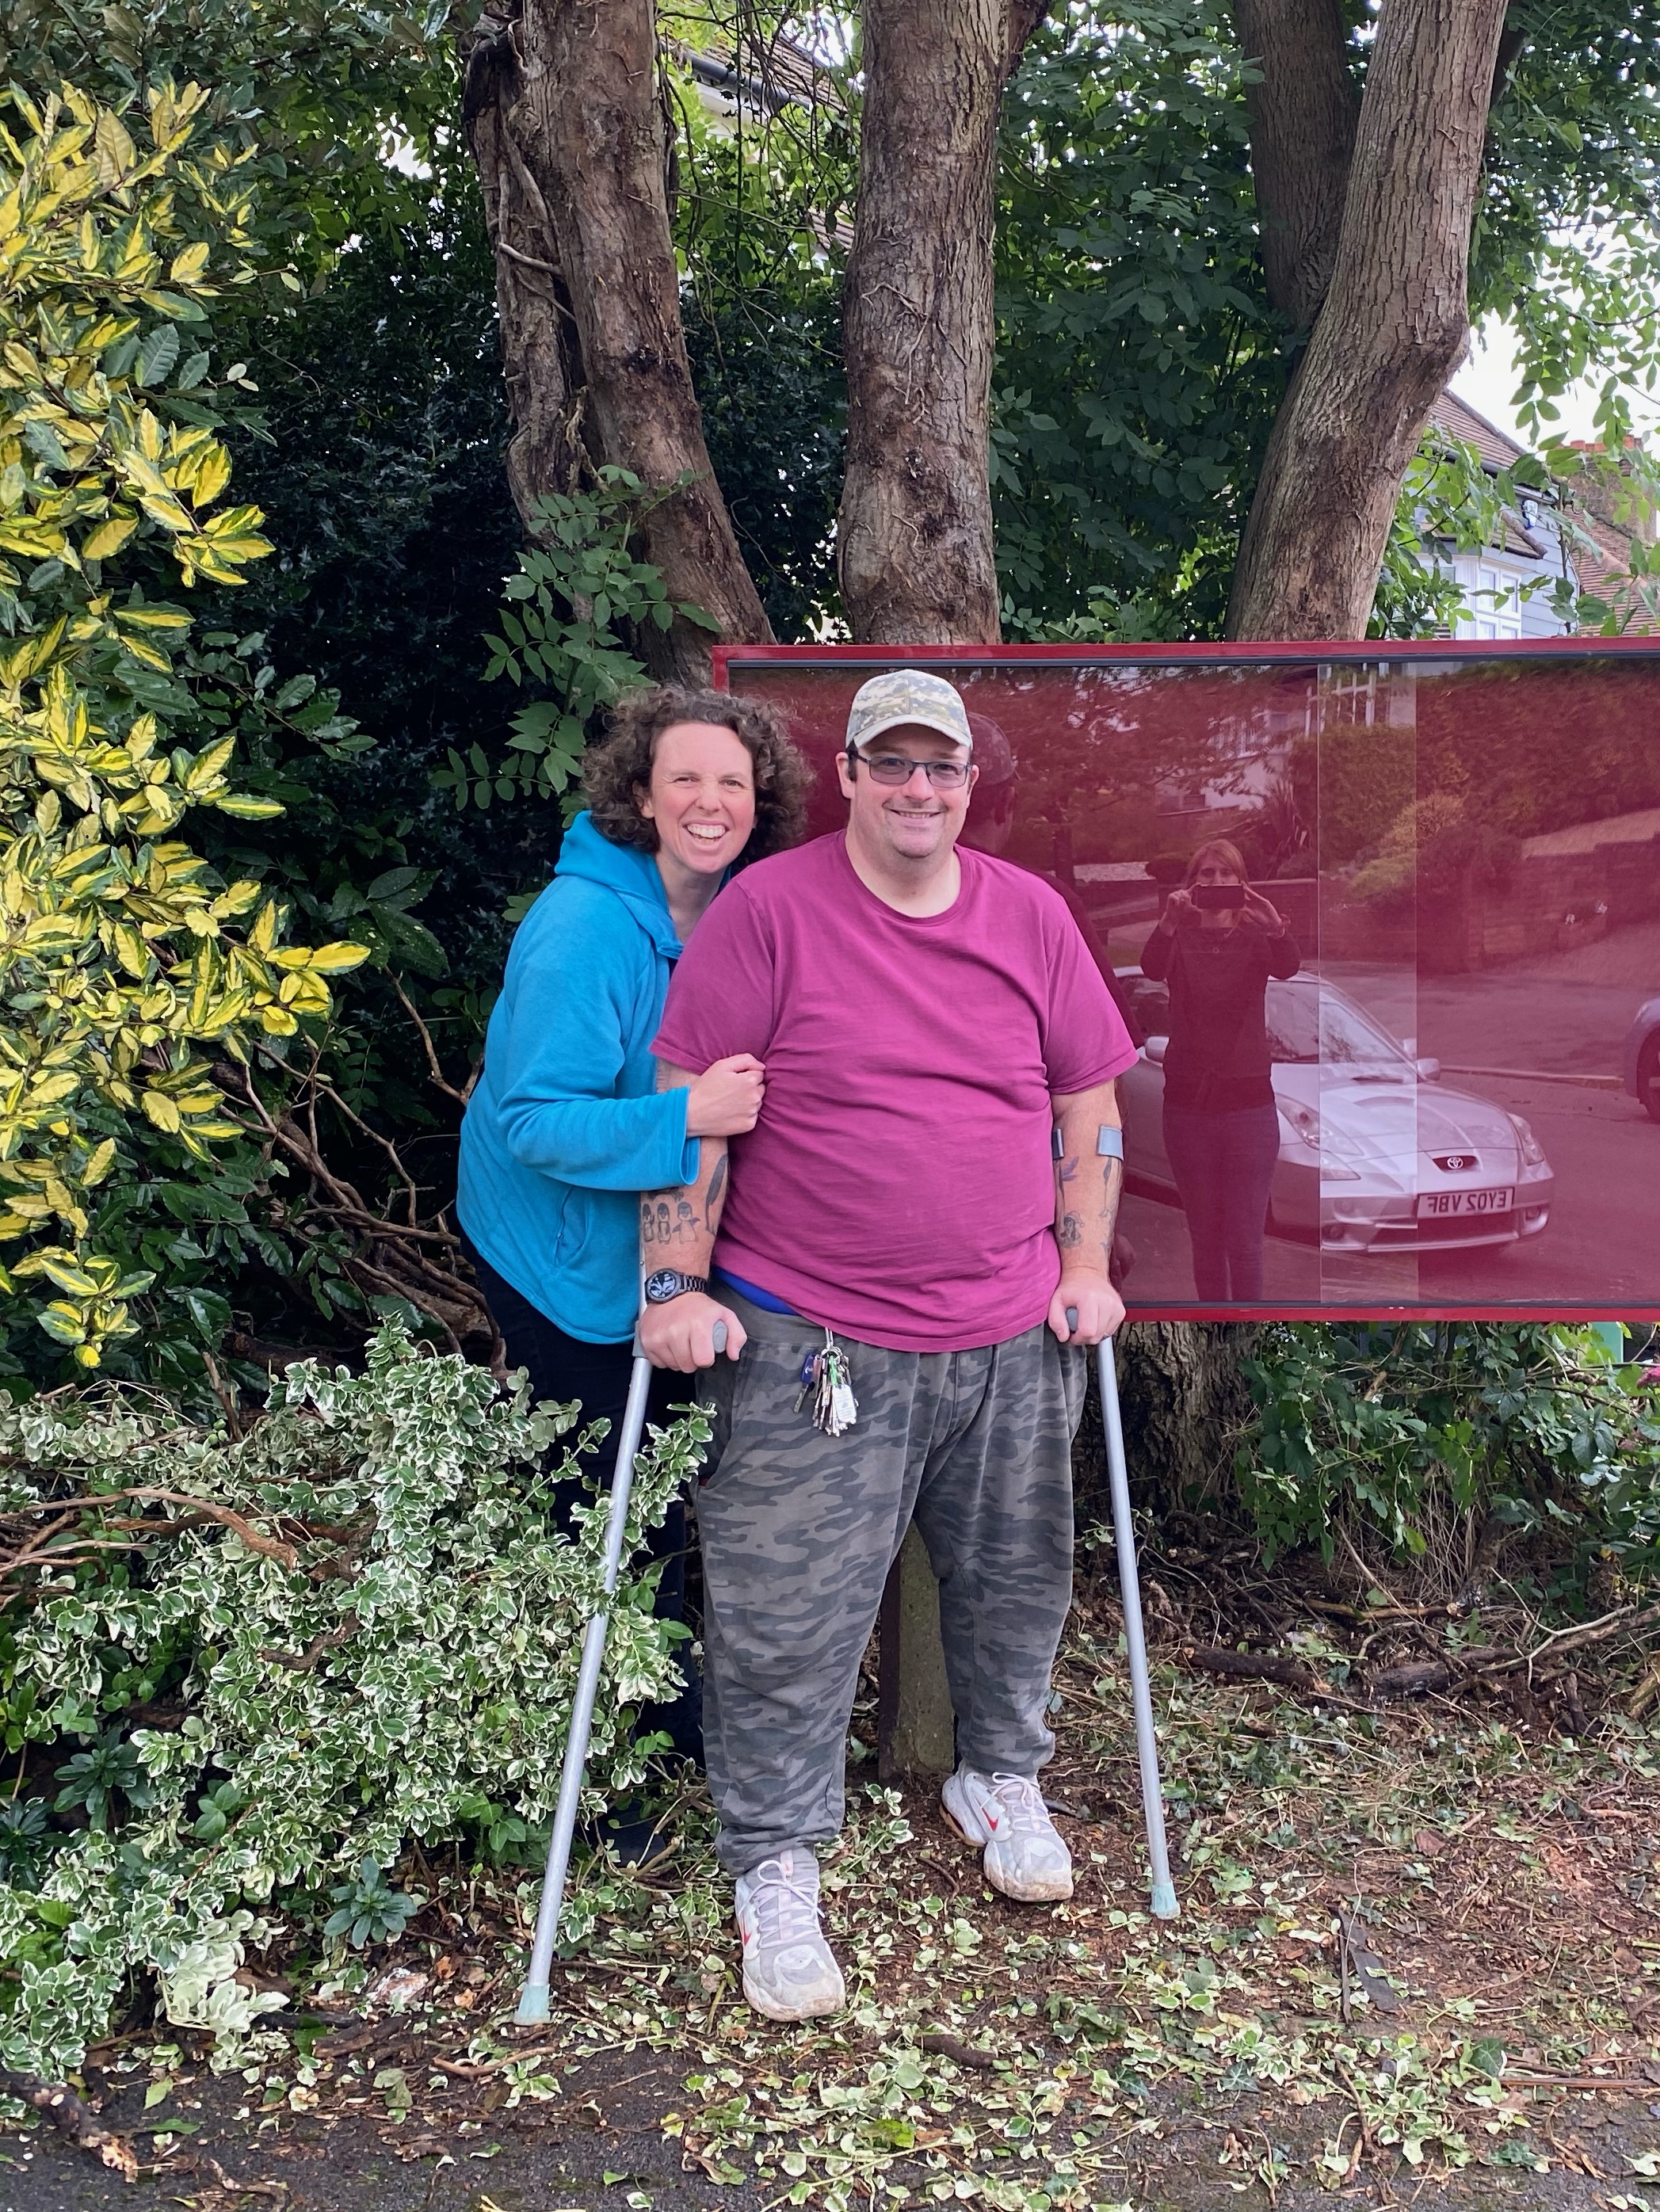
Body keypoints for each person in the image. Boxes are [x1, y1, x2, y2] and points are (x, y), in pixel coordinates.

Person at [636, 668, 1135, 2023]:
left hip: (1006, 1327)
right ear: (848, 773)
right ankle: (775, 1858)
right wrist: (673, 1275)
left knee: (1018, 1579)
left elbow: (1087, 1092)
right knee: (786, 1613)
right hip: (814, 1337)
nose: (920, 787)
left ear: (968, 782)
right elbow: (693, 1098)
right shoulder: (771, 908)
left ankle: (997, 1776)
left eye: (943, 766)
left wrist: (1085, 1262)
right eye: (892, 762)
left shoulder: (1028, 915)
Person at [456, 685, 811, 1764]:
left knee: (662, 1473)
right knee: (613, 1495)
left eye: (733, 784)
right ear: (640, 798)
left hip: (659, 1235)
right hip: (561, 1253)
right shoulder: (584, 928)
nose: (711, 802)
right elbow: (529, 1119)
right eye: (685, 781)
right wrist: (684, 1116)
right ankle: (617, 1758)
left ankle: (665, 1712)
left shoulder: (740, 909)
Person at [1140, 837, 1299, 1301]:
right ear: (1192, 884)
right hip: (1188, 1110)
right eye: (1206, 875)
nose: (1215, 882)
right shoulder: (1180, 936)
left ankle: (1245, 1344)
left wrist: (1275, 927)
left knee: (1245, 1245)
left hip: (1248, 1110)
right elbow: (1150, 967)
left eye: (1225, 874)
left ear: (1241, 883)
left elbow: (1289, 967)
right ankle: (1213, 1336)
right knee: (1206, 1241)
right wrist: (1170, 921)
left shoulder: (1254, 938)